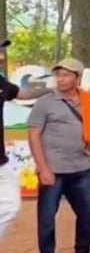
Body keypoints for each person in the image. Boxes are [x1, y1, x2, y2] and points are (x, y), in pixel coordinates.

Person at [27, 58, 90, 253]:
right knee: (47, 216)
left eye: (66, 75)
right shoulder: (46, 102)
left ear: (77, 78)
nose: (61, 79)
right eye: (58, 75)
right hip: (54, 169)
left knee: (88, 210)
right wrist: (43, 167)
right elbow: (33, 135)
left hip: (80, 168)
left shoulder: (88, 100)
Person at [0, 39, 50, 241]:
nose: (2, 56)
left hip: (1, 162)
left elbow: (22, 93)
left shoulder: (0, 82)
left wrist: (50, 89)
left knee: (11, 204)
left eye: (2, 51)